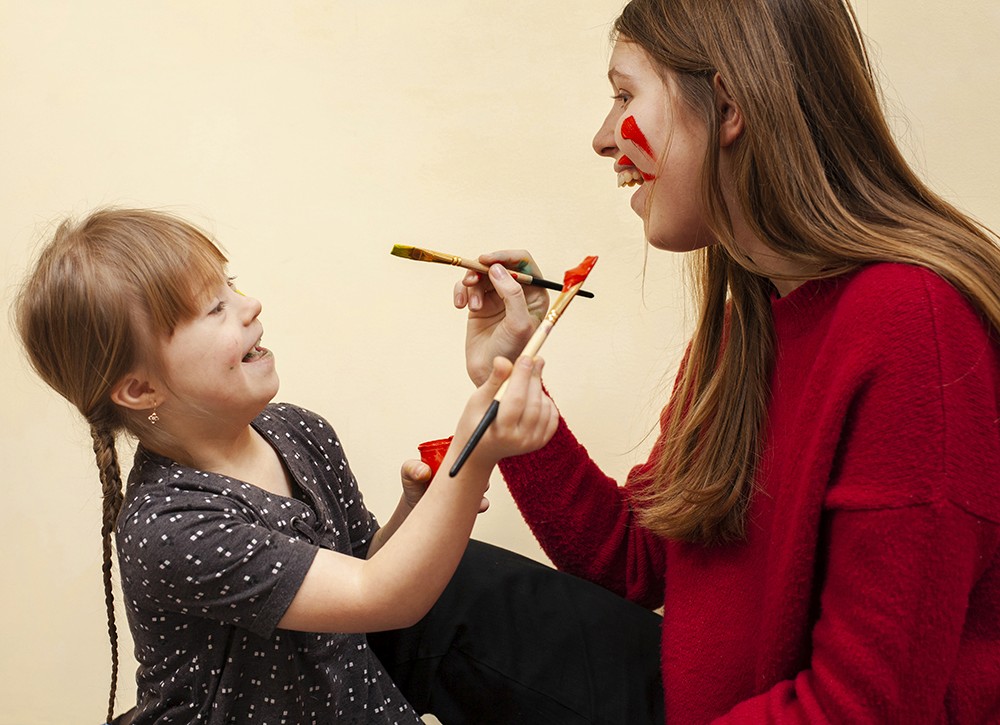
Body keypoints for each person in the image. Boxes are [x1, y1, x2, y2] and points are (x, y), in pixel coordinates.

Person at [453, 0, 1000, 722]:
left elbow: (864, 706)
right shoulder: (746, 326)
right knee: (435, 592)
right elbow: (633, 559)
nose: (600, 138)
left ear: (728, 106)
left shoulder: (910, 325)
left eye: (623, 96)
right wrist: (510, 375)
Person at [14, 208, 665, 725]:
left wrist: (417, 505)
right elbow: (381, 595)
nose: (250, 304)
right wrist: (476, 458)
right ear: (139, 389)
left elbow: (363, 573)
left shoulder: (298, 431)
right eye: (213, 308)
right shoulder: (174, 528)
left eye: (231, 284)